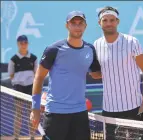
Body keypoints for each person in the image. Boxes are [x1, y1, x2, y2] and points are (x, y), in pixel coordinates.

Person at [30, 11, 101, 140]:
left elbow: (97, 74)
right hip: (56, 112)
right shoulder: (53, 49)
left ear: (85, 26)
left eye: (80, 23)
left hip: (80, 112)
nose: (77, 26)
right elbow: (39, 77)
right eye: (73, 23)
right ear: (67, 25)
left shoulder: (90, 49)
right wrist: (35, 108)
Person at [90, 6, 143, 139]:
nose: (108, 23)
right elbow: (100, 73)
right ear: (99, 23)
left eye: (112, 20)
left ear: (117, 21)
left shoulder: (132, 42)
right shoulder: (96, 45)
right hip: (109, 111)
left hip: (135, 108)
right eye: (105, 20)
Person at [8, 35, 38, 140]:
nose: (23, 45)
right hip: (18, 88)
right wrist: (19, 81)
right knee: (18, 113)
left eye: (25, 42)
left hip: (31, 87)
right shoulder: (13, 59)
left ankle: (32, 136)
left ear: (28, 43)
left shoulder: (34, 58)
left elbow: (36, 74)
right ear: (18, 44)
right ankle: (16, 137)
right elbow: (11, 75)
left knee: (32, 112)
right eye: (21, 43)